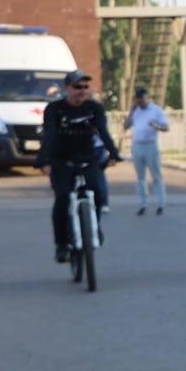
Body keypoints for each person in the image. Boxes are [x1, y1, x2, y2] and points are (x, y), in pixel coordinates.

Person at [36, 69, 120, 262]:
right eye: (77, 87)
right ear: (67, 88)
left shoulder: (94, 108)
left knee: (97, 191)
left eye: (84, 87)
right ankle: (62, 243)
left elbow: (103, 132)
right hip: (61, 160)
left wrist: (113, 154)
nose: (81, 91)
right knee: (63, 197)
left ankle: (94, 227)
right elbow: (48, 135)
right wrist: (43, 160)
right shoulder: (54, 109)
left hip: (87, 157)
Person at [123, 85, 169, 215]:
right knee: (140, 177)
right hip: (137, 145)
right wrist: (131, 111)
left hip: (150, 145)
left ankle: (160, 203)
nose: (140, 102)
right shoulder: (136, 112)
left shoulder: (156, 110)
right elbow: (126, 126)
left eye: (142, 99)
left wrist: (156, 126)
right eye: (138, 100)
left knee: (156, 175)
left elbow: (166, 127)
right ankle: (143, 203)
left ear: (147, 98)